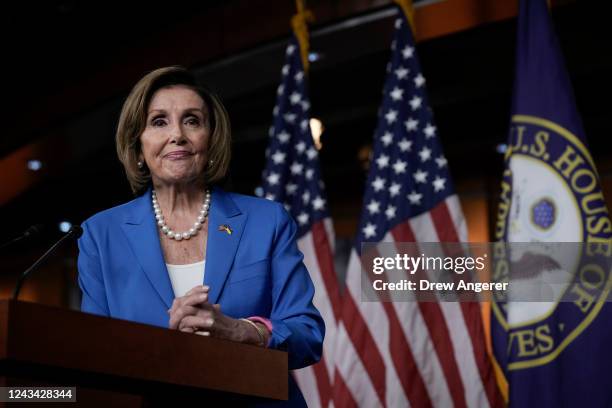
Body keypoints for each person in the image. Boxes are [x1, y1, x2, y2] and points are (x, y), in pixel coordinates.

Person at [77, 66, 324, 406]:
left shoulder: (266, 221)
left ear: (211, 137)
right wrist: (169, 346)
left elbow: (307, 334)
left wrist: (243, 332)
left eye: (192, 120)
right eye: (159, 121)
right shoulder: (99, 235)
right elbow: (95, 356)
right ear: (138, 143)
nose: (177, 134)